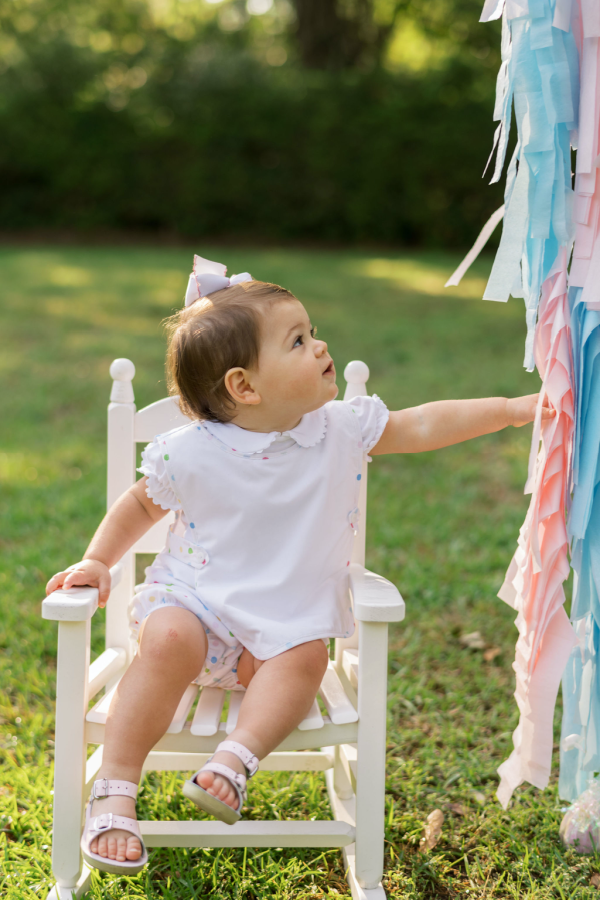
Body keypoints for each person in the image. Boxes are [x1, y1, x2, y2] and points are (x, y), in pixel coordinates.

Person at [46, 255, 553, 875]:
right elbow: (137, 505)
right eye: (298, 341)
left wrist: (510, 407)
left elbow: (422, 423)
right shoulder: (192, 451)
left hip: (283, 627)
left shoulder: (340, 428)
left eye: (311, 334)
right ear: (245, 387)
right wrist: (98, 561)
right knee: (168, 635)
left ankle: (234, 761)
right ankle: (117, 787)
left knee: (307, 659)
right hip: (197, 609)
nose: (320, 346)